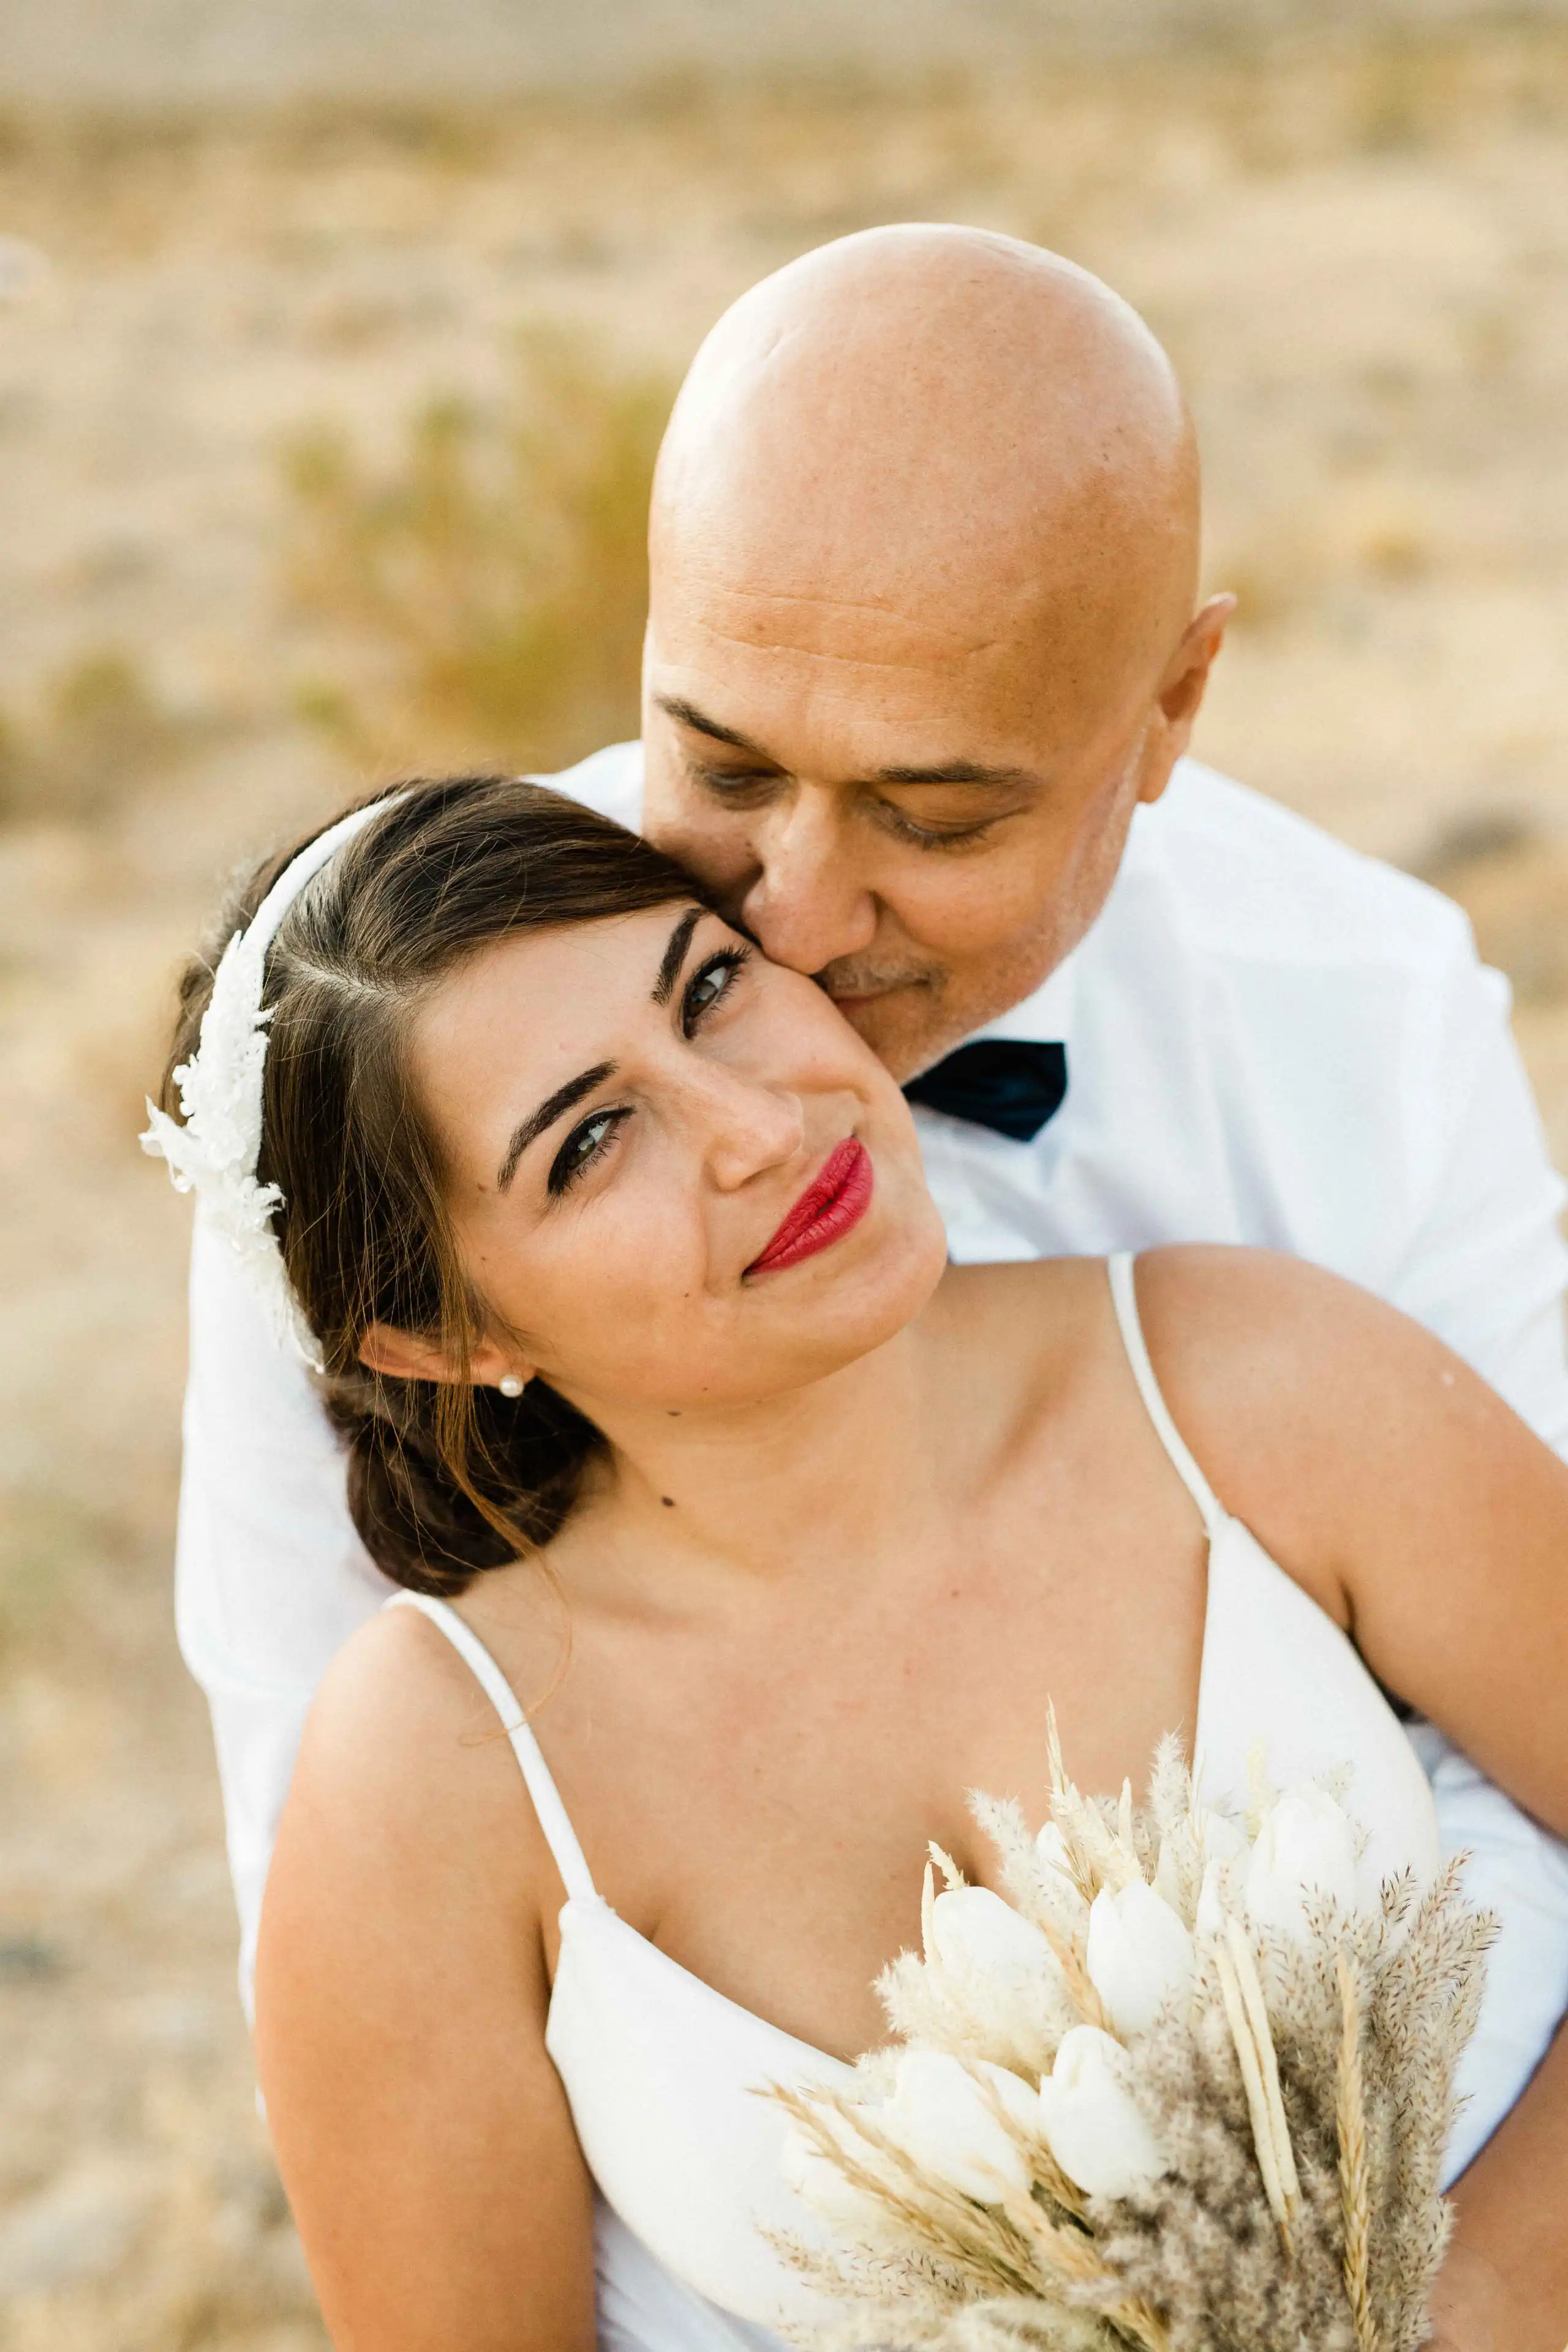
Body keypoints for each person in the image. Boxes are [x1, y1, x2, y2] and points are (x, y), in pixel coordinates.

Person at [167, 230, 1568, 2340]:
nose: (799, 924)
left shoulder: (1332, 1118)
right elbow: (374, 2011)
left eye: (932, 813)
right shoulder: (384, 1088)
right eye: (721, 770)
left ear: (1168, 707)